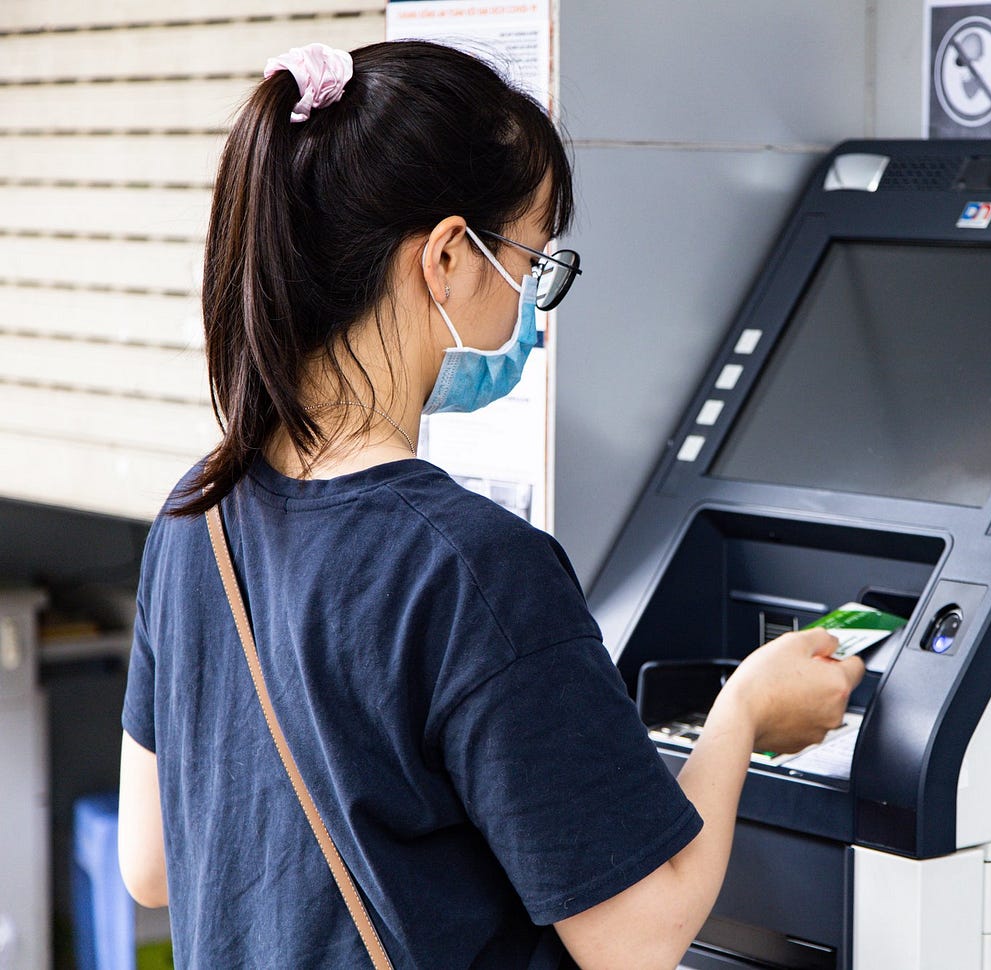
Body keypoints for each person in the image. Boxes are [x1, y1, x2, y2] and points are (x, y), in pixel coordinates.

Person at [115, 39, 864, 970]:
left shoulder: (197, 513)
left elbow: (150, 864)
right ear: (447, 257)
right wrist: (743, 713)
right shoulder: (471, 566)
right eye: (534, 260)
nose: (532, 308)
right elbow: (637, 937)